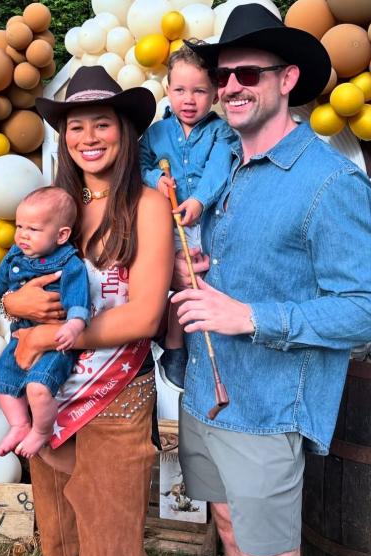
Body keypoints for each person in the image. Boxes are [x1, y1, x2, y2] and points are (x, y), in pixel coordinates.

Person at [172, 5, 371, 556]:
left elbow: (365, 310)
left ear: (286, 79)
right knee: (232, 543)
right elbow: (236, 268)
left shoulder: (329, 182)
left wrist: (251, 317)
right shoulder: (227, 170)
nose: (231, 87)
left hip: (266, 415)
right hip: (205, 398)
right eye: (222, 77)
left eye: (247, 74)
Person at [1, 66, 174, 556]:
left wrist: (46, 333)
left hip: (114, 403)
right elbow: (12, 283)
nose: (89, 138)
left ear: (125, 132)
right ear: (63, 137)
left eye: (103, 124)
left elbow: (144, 316)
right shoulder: (53, 206)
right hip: (48, 399)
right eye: (77, 127)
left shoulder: (146, 205)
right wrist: (12, 306)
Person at [0, 186, 90, 458]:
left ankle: (41, 431)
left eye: (33, 229)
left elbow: (79, 300)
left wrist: (74, 325)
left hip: (55, 342)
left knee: (37, 388)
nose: (22, 235)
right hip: (20, 336)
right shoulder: (16, 255)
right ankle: (19, 424)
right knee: (1, 381)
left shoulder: (69, 263)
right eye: (19, 226)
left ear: (62, 235)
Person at [139, 44, 238, 389]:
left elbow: (218, 168)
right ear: (168, 90)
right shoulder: (155, 133)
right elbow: (140, 164)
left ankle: (182, 346)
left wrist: (198, 199)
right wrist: (155, 179)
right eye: (180, 90)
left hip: (201, 223)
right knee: (161, 276)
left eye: (199, 91)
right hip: (162, 223)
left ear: (214, 95)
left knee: (198, 282)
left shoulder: (220, 132)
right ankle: (164, 338)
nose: (189, 99)